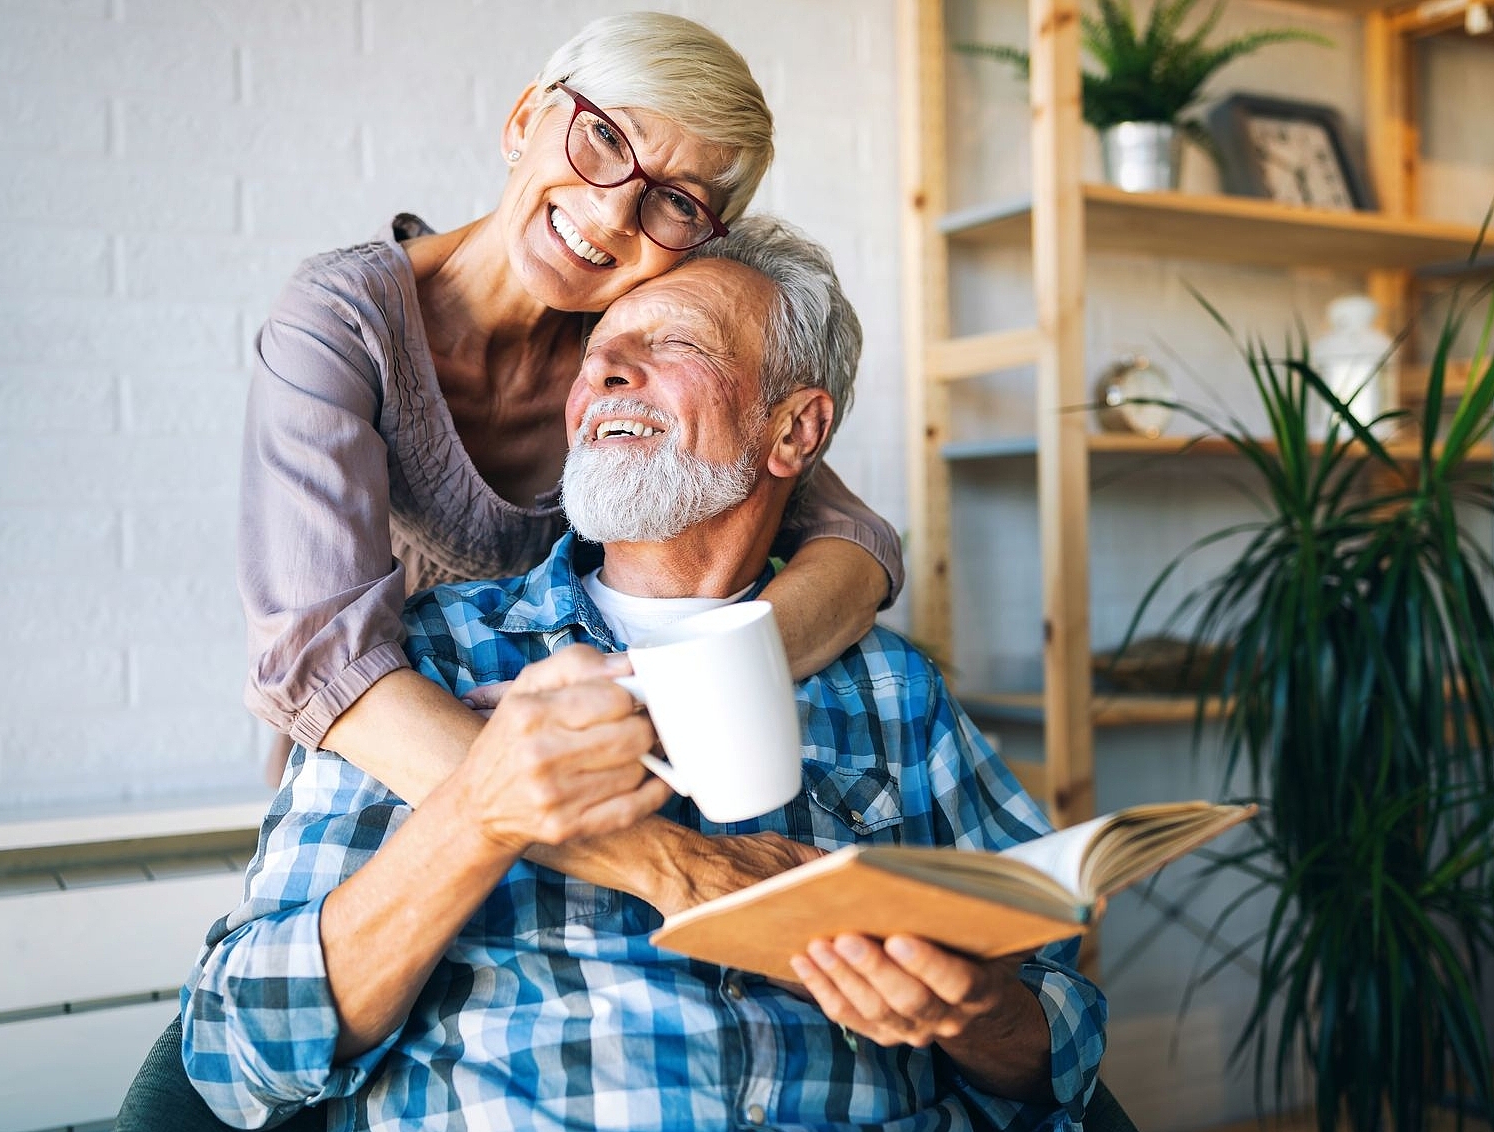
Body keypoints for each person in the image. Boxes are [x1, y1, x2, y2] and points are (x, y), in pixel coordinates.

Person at [182, 216, 1107, 1131]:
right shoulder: (431, 665)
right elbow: (233, 1052)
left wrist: (975, 1011)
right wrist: (474, 813)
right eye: (598, 354)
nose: (606, 372)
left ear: (794, 431)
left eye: (673, 343)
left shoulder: (892, 689)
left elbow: (1061, 1039)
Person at [242, 10, 901, 812]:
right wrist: (653, 859)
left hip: (608, 740)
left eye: (677, 202)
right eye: (603, 139)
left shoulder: (634, 352)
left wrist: (668, 693)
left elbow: (856, 547)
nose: (613, 214)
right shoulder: (342, 321)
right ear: (524, 119)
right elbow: (321, 660)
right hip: (400, 746)